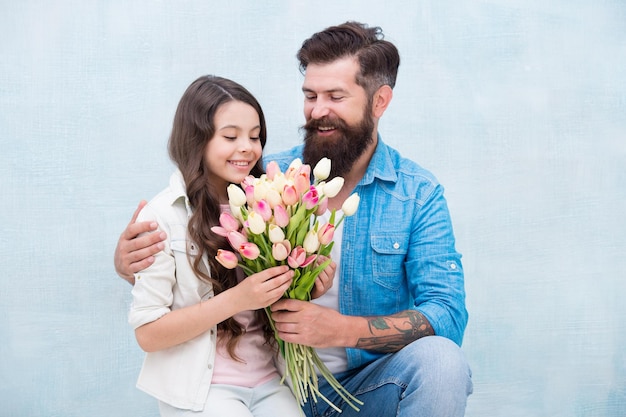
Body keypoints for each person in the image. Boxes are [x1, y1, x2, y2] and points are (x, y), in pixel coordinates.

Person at [116, 22, 472, 417]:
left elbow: (447, 314)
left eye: (336, 96)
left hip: (366, 388)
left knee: (443, 362)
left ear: (379, 101)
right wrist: (132, 261)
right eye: (310, 95)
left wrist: (339, 329)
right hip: (274, 384)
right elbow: (194, 238)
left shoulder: (416, 194)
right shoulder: (263, 176)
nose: (318, 110)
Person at [127, 75, 335, 417]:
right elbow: (148, 333)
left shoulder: (271, 202)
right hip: (201, 390)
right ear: (197, 139)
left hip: (271, 380)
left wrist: (305, 285)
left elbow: (271, 305)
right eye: (230, 136)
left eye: (255, 137)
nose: (247, 148)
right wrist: (238, 298)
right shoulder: (165, 215)